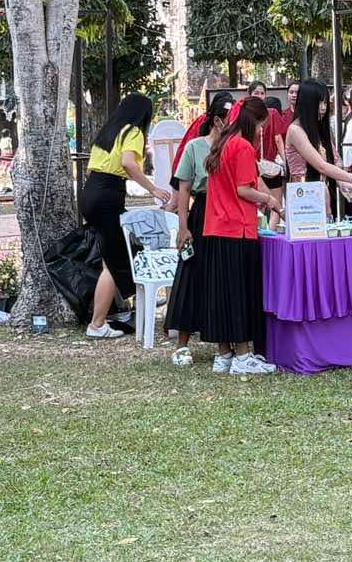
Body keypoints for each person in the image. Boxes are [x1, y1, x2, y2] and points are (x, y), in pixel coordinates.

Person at [195, 100, 281, 374]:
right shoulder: (242, 146)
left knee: (221, 294)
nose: (261, 131)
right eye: (261, 125)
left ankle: (224, 354)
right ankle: (243, 356)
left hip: (215, 228)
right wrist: (269, 199)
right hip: (237, 228)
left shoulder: (222, 143)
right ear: (252, 121)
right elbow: (244, 190)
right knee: (239, 294)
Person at [82, 94, 174, 340]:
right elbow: (128, 163)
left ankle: (116, 310)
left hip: (91, 192)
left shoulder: (108, 132)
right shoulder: (133, 132)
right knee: (113, 263)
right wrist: (153, 189)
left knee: (111, 257)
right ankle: (97, 324)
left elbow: (91, 169)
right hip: (108, 196)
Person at [166, 90, 232, 360]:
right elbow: (184, 189)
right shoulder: (195, 147)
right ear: (217, 120)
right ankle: (182, 344)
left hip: (226, 213)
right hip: (202, 211)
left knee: (221, 276)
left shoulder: (234, 147)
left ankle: (224, 343)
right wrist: (183, 227)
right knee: (191, 272)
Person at [282, 80, 352, 201]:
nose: (323, 108)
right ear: (307, 103)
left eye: (325, 103)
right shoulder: (295, 130)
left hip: (321, 192)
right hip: (303, 196)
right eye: (319, 103)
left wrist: (342, 181)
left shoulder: (319, 127)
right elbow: (321, 166)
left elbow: (335, 159)